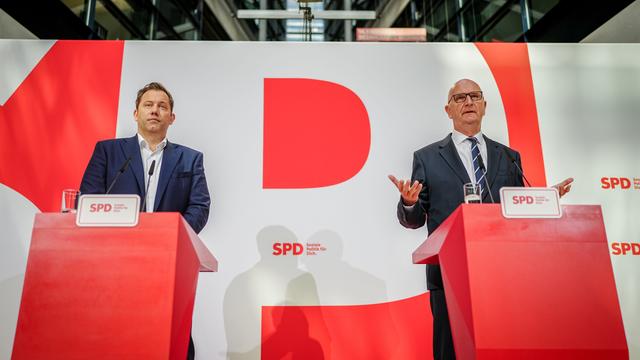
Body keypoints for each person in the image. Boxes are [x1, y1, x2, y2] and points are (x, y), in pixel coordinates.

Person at [388, 79, 572, 360]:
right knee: (451, 350)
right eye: (460, 98)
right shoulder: (426, 157)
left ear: (485, 105)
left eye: (475, 96)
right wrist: (409, 203)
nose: (469, 102)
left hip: (503, 270)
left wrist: (544, 202)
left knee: (504, 347)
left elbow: (518, 213)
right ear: (448, 109)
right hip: (450, 274)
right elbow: (414, 220)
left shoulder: (509, 157)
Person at [80, 82, 211, 360]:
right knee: (114, 335)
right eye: (148, 105)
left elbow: (199, 206)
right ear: (135, 113)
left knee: (171, 336)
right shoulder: (108, 152)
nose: (155, 111)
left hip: (168, 262)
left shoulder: (190, 159)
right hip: (114, 261)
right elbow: (88, 199)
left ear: (171, 117)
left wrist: (174, 238)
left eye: (162, 106)